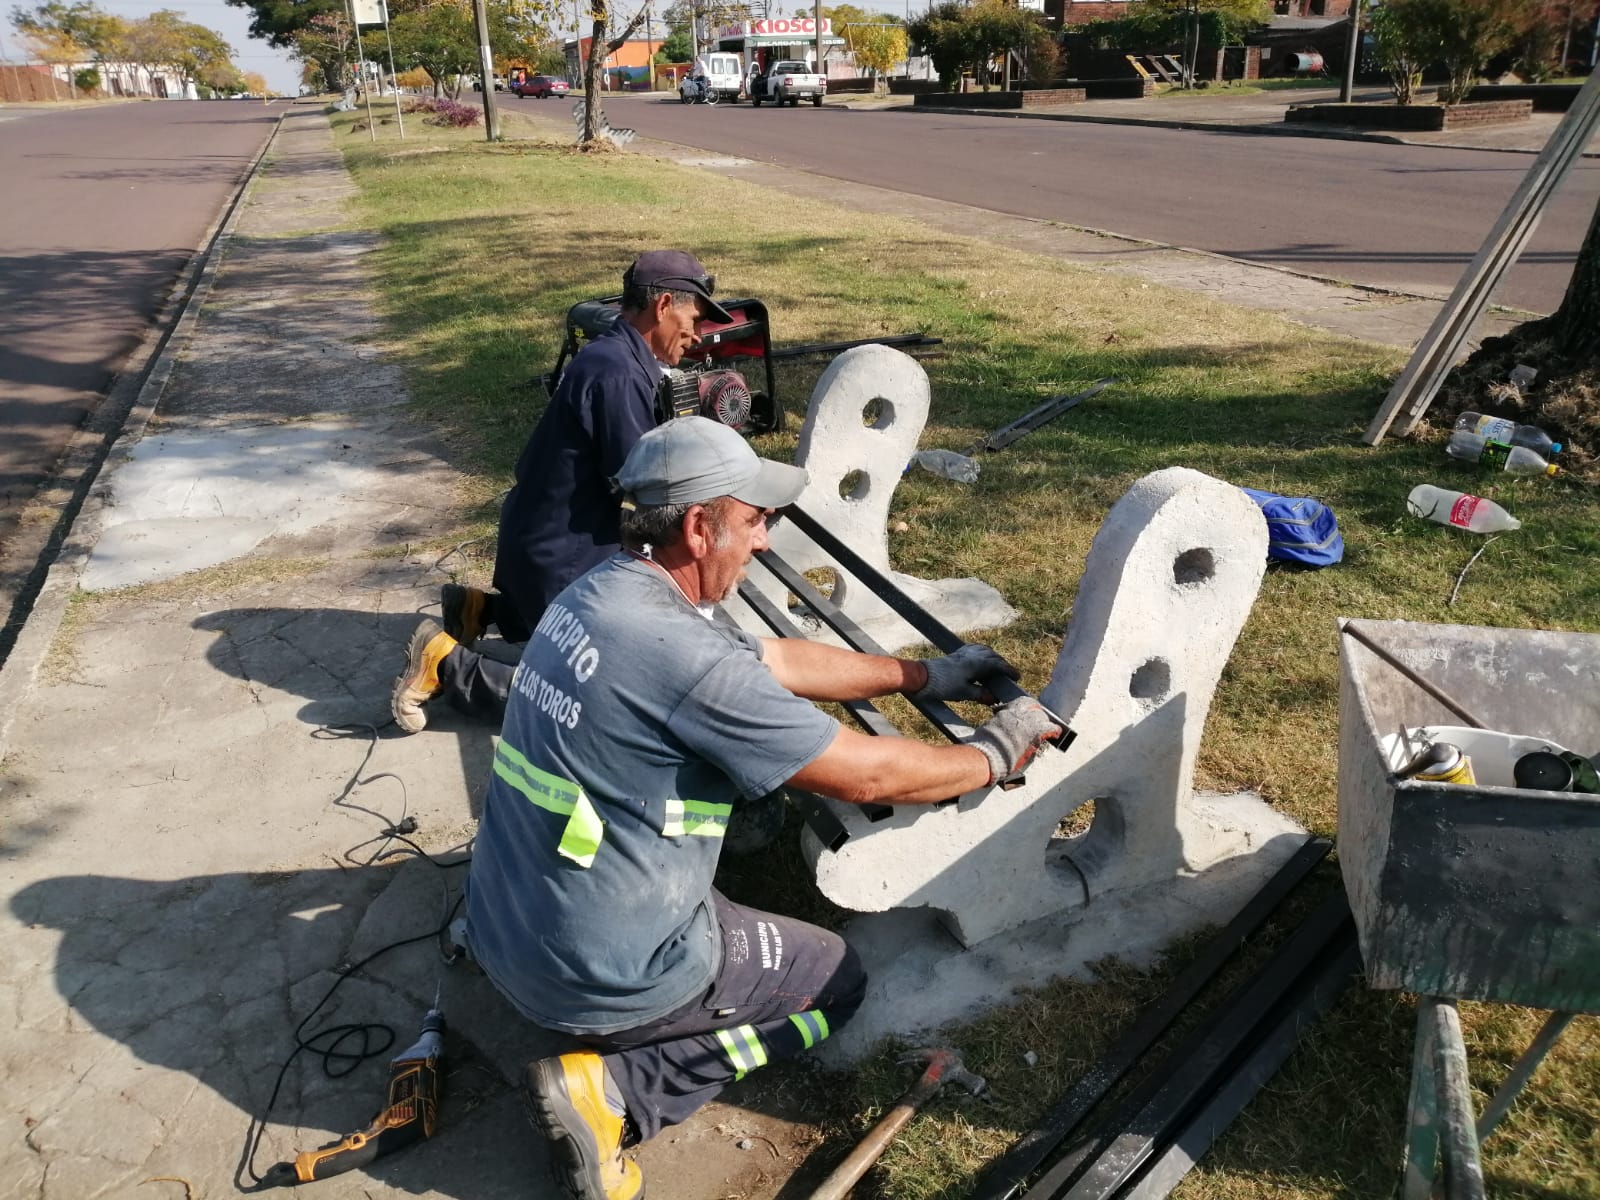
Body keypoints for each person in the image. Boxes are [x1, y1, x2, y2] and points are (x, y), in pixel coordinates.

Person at [462, 417, 1063, 1200]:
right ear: (697, 526)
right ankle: (620, 1094)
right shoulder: (683, 657)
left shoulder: (603, 594)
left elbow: (775, 659)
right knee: (838, 983)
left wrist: (924, 678)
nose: (766, 542)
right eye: (752, 520)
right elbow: (865, 777)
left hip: (501, 920)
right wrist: (991, 753)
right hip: (591, 976)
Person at [391, 250, 732, 733]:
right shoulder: (616, 373)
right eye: (693, 317)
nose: (697, 333)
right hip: (562, 556)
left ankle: (481, 609)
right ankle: (445, 665)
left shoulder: (616, 357)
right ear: (662, 306)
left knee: (582, 635)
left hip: (542, 539)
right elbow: (643, 486)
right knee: (586, 696)